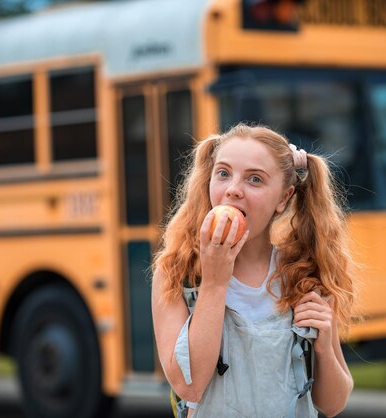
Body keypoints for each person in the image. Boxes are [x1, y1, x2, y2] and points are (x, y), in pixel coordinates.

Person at [151, 123, 356, 418]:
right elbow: (189, 386)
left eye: (255, 180)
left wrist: (323, 345)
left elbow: (333, 403)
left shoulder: (303, 276)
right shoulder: (177, 273)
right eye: (223, 173)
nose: (233, 190)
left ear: (283, 199)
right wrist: (215, 282)